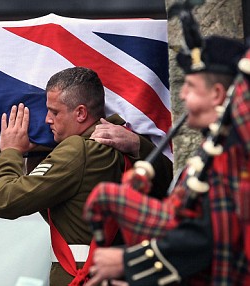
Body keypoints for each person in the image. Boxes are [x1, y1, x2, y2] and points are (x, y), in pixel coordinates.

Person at [84, 36, 250, 285]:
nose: (181, 95)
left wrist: (129, 262)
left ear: (216, 94)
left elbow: (209, 237)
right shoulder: (213, 150)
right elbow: (181, 223)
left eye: (191, 87)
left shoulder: (233, 155)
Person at [0, 67, 172, 285]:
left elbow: (4, 201)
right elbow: (62, 212)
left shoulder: (78, 149)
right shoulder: (123, 145)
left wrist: (11, 151)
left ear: (81, 113)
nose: (47, 120)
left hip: (81, 276)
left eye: (54, 112)